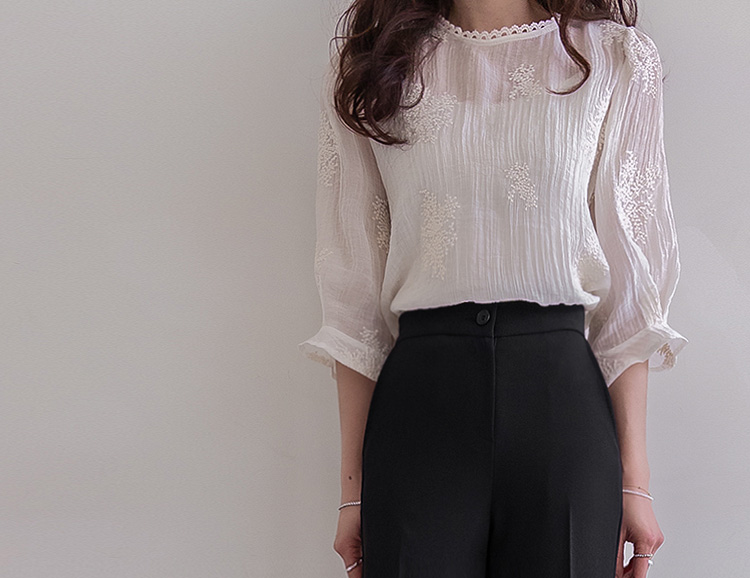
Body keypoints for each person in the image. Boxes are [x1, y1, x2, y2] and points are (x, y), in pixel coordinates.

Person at [298, 0, 688, 576]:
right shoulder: (373, 63)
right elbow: (353, 298)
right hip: (421, 410)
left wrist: (636, 482)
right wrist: (352, 493)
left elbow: (630, 297)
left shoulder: (614, 57)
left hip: (561, 408)